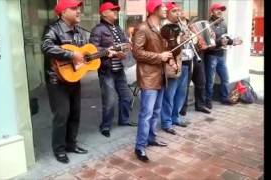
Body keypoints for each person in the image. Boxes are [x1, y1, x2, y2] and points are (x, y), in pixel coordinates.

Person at [41, 0, 88, 164]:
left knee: (75, 113)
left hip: (74, 77)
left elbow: (83, 54)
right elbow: (46, 47)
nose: (78, 11)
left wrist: (105, 54)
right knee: (62, 115)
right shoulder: (53, 29)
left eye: (78, 8)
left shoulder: (79, 32)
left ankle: (71, 144)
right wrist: (70, 55)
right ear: (62, 12)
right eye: (74, 8)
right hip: (57, 79)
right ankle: (59, 149)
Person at [132, 0, 176, 162]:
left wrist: (169, 59)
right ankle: (140, 146)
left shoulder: (161, 28)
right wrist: (159, 57)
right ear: (154, 9)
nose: (166, 9)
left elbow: (163, 50)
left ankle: (151, 138)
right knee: (146, 113)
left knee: (156, 111)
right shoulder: (143, 27)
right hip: (148, 77)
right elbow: (137, 53)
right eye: (163, 6)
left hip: (160, 75)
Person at [89, 2, 135, 138]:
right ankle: (105, 126)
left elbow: (125, 43)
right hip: (106, 70)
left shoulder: (117, 27)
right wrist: (112, 52)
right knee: (109, 101)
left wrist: (127, 46)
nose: (116, 12)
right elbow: (92, 50)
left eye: (116, 10)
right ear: (104, 13)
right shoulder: (98, 29)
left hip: (119, 68)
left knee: (127, 96)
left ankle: (124, 120)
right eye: (112, 10)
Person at [160, 1, 191, 136]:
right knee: (169, 95)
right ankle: (166, 122)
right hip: (173, 64)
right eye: (174, 11)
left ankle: (175, 117)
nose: (178, 13)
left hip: (187, 61)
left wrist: (190, 38)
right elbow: (169, 47)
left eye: (179, 10)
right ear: (167, 13)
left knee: (181, 93)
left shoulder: (182, 25)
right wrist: (181, 40)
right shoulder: (165, 27)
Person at [179, 7, 211, 116]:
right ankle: (182, 108)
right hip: (185, 57)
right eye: (180, 11)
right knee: (185, 84)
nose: (182, 12)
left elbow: (202, 39)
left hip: (198, 55)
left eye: (183, 11)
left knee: (201, 81)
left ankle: (200, 105)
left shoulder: (193, 26)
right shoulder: (177, 26)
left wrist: (208, 38)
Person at [204, 3, 235, 109]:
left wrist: (232, 41)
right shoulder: (207, 24)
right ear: (212, 11)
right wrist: (220, 42)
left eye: (221, 9)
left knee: (225, 78)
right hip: (211, 55)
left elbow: (224, 38)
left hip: (221, 55)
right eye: (217, 9)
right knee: (210, 80)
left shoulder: (224, 24)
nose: (220, 11)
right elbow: (207, 43)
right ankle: (208, 100)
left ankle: (224, 97)